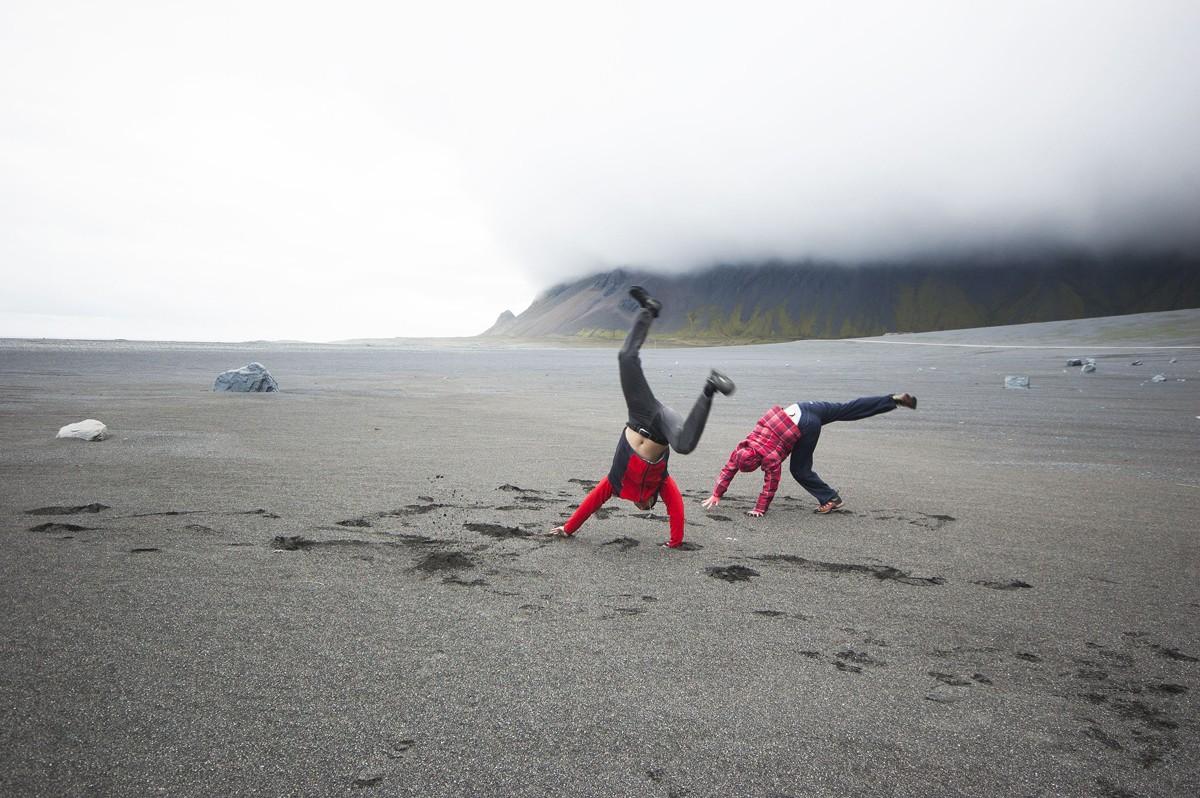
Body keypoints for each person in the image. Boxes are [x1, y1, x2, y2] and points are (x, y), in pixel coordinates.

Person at [551, 286, 736, 548]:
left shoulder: (616, 484)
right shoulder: (661, 484)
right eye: (647, 507)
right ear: (651, 501)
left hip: (638, 416)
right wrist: (675, 542)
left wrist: (568, 528)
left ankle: (649, 310)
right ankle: (708, 387)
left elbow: (591, 501)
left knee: (626, 357)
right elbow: (676, 509)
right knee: (682, 443)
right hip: (659, 421)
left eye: (641, 507)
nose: (641, 506)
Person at [701, 393, 917, 516]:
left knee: (799, 470)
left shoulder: (769, 457)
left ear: (756, 461)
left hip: (806, 425)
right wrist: (717, 493)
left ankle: (830, 497)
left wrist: (759, 509)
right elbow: (730, 468)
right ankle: (892, 400)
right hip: (802, 408)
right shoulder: (744, 444)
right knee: (846, 409)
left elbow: (771, 482)